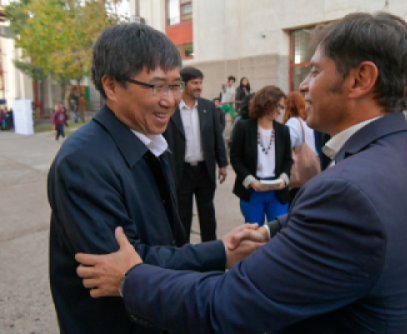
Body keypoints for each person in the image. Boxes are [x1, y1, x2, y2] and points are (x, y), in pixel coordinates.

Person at [76, 13, 407, 333]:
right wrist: (271, 231)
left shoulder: (349, 192)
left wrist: (130, 279)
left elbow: (226, 306)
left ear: (361, 79)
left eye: (314, 71)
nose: (302, 85)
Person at [48, 23, 261, 334]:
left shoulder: (151, 140)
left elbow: (168, 241)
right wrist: (221, 253)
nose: (170, 100)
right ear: (111, 86)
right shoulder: (82, 162)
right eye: (156, 87)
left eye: (175, 86)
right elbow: (125, 266)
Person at [163, 67, 228, 243]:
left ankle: (210, 252)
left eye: (200, 82)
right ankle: (185, 254)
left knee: (208, 215)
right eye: (195, 83)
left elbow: (217, 137)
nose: (199, 86)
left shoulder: (208, 107)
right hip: (181, 172)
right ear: (184, 84)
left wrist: (222, 164)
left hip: (204, 171)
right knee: (182, 217)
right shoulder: (172, 108)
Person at [229, 85, 292, 226]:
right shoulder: (243, 127)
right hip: (252, 190)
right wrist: (251, 180)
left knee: (277, 234)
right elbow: (235, 158)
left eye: (282, 107)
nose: (280, 111)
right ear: (266, 103)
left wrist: (284, 179)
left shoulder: (283, 130)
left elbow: (288, 160)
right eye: (278, 106)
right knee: (253, 234)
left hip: (277, 192)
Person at [283, 91, 318, 202]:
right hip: (313, 164)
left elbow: (287, 145)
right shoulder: (308, 121)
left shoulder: (293, 122)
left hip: (299, 170)